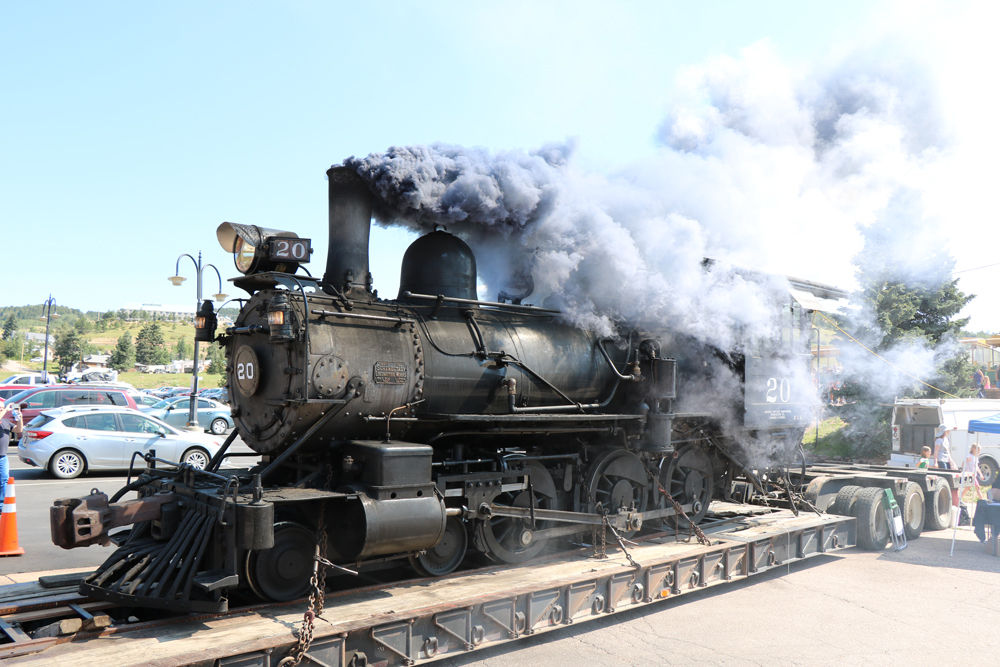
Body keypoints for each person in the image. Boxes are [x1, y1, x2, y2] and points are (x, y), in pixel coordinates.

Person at [0, 402, 23, 501]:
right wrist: (6, 410)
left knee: (4, 480)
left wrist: (20, 418)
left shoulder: (5, 421)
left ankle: (2, 505)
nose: (2, 409)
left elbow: (19, 430)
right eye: (0, 408)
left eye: (2, 408)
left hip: (2, 457)